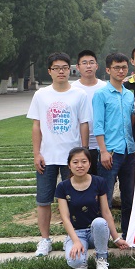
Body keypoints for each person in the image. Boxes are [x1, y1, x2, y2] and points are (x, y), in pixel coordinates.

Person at [27, 52, 91, 257]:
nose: (61, 71)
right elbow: (36, 126)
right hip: (47, 157)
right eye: (56, 68)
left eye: (64, 67)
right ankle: (45, 240)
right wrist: (37, 153)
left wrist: (83, 153)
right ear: (50, 71)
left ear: (69, 70)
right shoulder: (41, 95)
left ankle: (73, 237)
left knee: (74, 200)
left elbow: (83, 124)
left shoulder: (79, 95)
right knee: (43, 199)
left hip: (71, 158)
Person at [92, 53, 135, 250]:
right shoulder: (101, 94)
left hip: (129, 151)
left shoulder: (129, 94)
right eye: (116, 67)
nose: (121, 71)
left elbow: (132, 121)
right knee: (105, 198)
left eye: (124, 67)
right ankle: (104, 238)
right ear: (108, 70)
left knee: (129, 197)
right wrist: (103, 151)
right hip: (111, 152)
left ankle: (129, 235)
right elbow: (98, 125)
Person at [56, 147, 129, 269]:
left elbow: (106, 212)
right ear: (69, 165)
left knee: (100, 222)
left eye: (84, 161)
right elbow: (65, 217)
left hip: (97, 230)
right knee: (75, 262)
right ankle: (74, 247)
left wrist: (116, 238)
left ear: (90, 164)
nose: (80, 165)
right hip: (77, 232)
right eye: (75, 162)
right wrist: (76, 241)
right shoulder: (63, 187)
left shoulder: (99, 182)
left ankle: (101, 258)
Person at [71, 50, 107, 175]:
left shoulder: (105, 87)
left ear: (97, 66)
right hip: (79, 144)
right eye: (84, 63)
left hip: (102, 144)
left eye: (91, 63)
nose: (88, 66)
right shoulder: (72, 89)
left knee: (101, 182)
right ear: (78, 67)